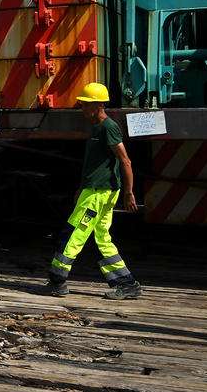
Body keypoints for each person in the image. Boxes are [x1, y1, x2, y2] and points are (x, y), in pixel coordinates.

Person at [44, 82, 142, 300]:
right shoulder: (97, 128)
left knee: (72, 235)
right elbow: (93, 164)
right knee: (101, 239)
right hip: (94, 190)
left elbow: (125, 161)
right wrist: (82, 187)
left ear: (99, 105)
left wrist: (129, 193)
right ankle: (126, 284)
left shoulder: (109, 128)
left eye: (86, 104)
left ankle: (56, 281)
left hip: (99, 193)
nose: (82, 108)